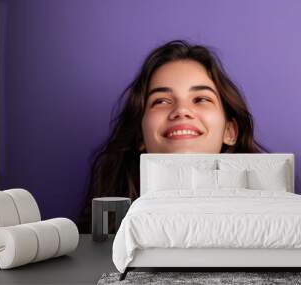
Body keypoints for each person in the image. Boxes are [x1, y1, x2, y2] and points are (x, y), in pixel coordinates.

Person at [77, 40, 266, 232]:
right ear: (139, 136)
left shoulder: (265, 224)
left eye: (201, 99)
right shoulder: (100, 233)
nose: (182, 110)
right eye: (161, 101)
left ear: (230, 131)